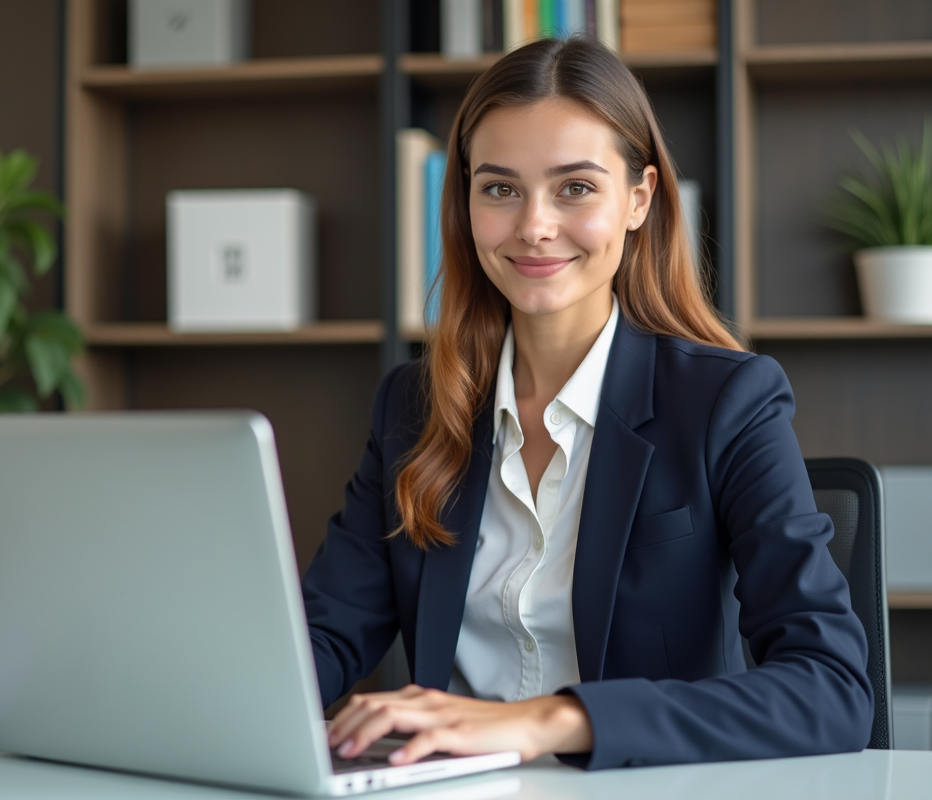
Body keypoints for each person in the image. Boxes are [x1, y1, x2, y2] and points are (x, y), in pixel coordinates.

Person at [301, 37, 873, 771]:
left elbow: (830, 690)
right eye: (500, 188)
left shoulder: (727, 400)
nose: (534, 226)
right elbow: (324, 635)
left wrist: (549, 722)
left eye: (575, 188)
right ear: (467, 201)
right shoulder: (413, 407)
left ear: (639, 200)